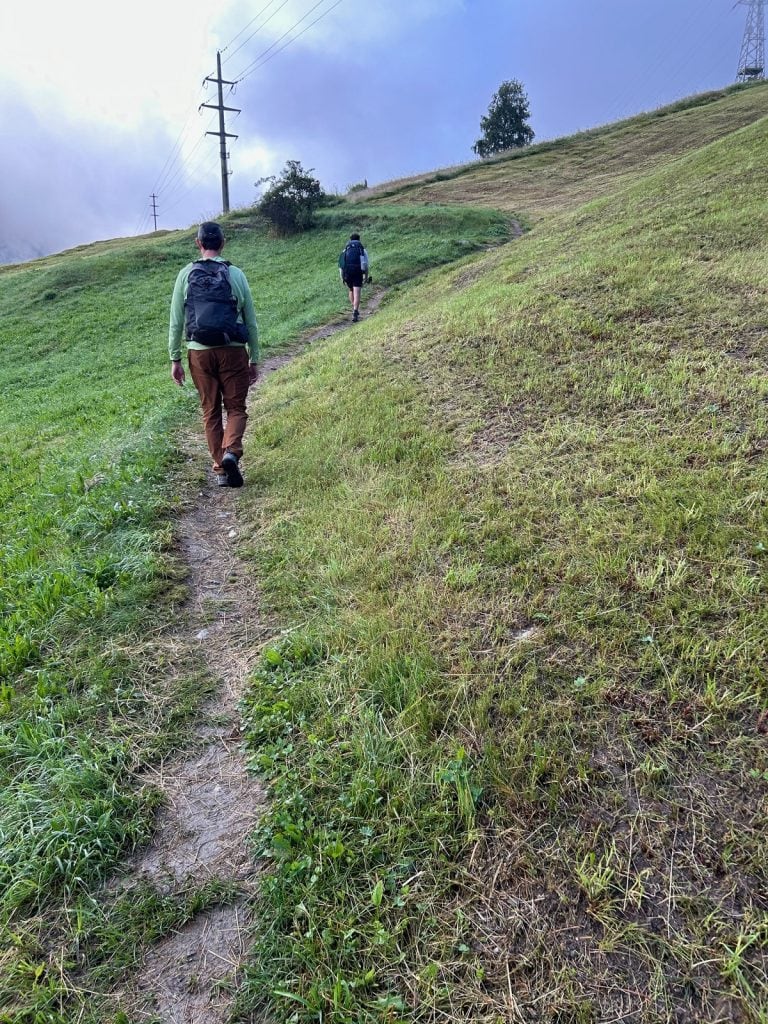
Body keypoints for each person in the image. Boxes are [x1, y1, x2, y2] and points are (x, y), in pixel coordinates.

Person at [168, 222, 259, 488]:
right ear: (223, 243)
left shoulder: (185, 275)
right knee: (236, 407)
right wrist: (254, 357)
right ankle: (231, 451)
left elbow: (176, 321)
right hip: (232, 351)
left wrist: (175, 358)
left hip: (199, 354)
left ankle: (220, 469)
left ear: (198, 244)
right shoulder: (236, 274)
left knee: (210, 411)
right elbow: (250, 321)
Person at [338, 232, 369, 322]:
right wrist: (366, 277)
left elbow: (341, 265)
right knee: (357, 292)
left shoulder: (345, 249)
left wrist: (342, 277)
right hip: (358, 271)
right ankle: (355, 311)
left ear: (350, 239)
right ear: (359, 239)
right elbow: (365, 265)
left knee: (351, 290)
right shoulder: (362, 249)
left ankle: (354, 308)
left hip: (348, 272)